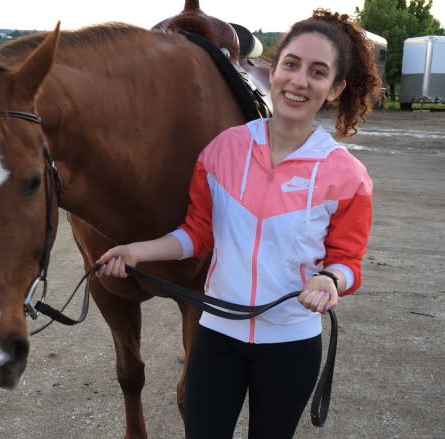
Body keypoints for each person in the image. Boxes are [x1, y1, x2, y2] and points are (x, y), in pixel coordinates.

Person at [96, 9, 380, 439]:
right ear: (275, 68)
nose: (300, 81)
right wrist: (138, 250)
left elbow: (348, 261)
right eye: (292, 64)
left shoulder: (346, 175)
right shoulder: (222, 150)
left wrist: (329, 280)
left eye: (317, 72)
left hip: (290, 344)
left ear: (335, 88)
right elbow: (197, 234)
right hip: (216, 338)